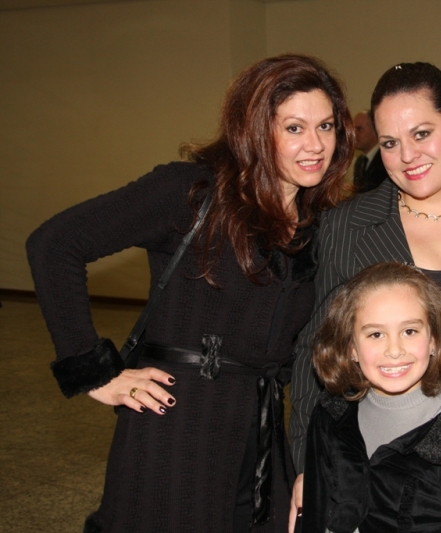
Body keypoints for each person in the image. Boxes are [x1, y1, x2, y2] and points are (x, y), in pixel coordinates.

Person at [26, 54, 354, 533]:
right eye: (294, 128)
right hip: (176, 430)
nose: (316, 145)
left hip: (260, 433)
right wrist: (95, 374)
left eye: (325, 126)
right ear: (254, 131)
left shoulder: (317, 224)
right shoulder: (192, 193)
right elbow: (54, 246)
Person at [289, 62, 441, 532]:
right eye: (390, 142)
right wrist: (306, 463)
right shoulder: (347, 228)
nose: (406, 156)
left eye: (421, 133)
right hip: (382, 481)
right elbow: (314, 351)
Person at [301, 262, 441, 532]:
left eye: (409, 331)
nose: (394, 350)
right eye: (375, 334)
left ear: (434, 340)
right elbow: (315, 513)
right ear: (351, 348)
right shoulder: (331, 417)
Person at [352, 110, 389, 193]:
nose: (354, 134)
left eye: (359, 129)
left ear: (375, 130)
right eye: (353, 129)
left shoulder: (385, 159)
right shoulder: (359, 162)